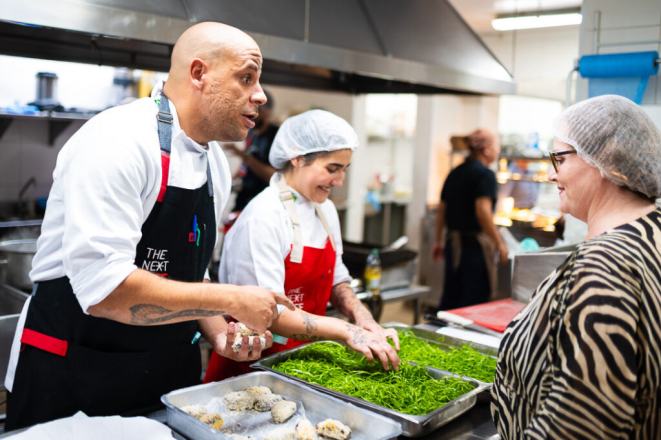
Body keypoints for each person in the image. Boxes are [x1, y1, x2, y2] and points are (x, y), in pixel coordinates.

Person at [4, 22, 296, 431]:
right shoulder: (118, 140)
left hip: (163, 381)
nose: (260, 96)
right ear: (198, 74)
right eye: (246, 78)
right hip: (73, 376)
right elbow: (104, 290)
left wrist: (219, 332)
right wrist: (231, 300)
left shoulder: (215, 166)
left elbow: (194, 274)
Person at [491, 95, 661, 439]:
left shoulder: (603, 268)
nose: (552, 174)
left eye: (560, 158)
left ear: (606, 160)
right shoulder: (652, 231)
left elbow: (581, 424)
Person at [204, 110, 400, 382]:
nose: (340, 181)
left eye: (344, 169)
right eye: (332, 169)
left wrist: (362, 317)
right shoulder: (264, 216)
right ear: (296, 158)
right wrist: (346, 331)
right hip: (252, 368)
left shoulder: (326, 209)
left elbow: (338, 278)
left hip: (304, 363)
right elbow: (268, 315)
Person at [432, 129, 509, 311]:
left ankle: (444, 336)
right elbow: (483, 212)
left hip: (453, 245)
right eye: (496, 146)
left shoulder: (455, 172)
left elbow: (441, 212)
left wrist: (438, 241)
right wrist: (499, 244)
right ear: (486, 149)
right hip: (474, 248)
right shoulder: (485, 175)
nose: (498, 150)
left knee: (453, 297)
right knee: (473, 302)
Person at [225, 88, 278, 212]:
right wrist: (231, 180)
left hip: (262, 204)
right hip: (243, 199)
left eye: (257, 109)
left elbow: (272, 175)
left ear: (268, 111)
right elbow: (247, 161)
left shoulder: (276, 136)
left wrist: (242, 155)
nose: (252, 114)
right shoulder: (252, 133)